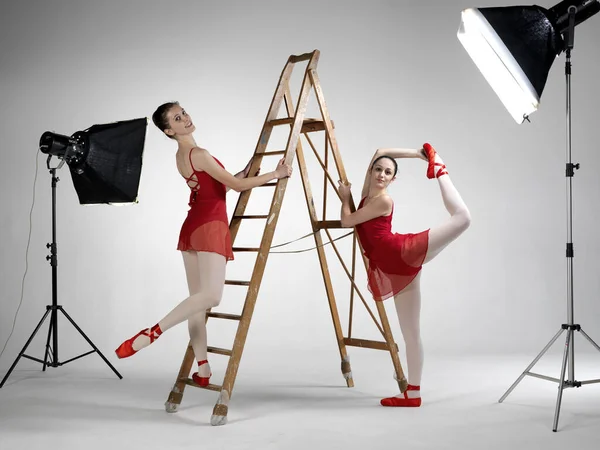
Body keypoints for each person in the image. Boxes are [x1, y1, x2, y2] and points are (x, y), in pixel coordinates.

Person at [115, 101, 292, 386]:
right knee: (211, 297)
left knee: (196, 302)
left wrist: (250, 168)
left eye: (183, 112)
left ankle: (203, 368)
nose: (185, 118)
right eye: (176, 118)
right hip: (210, 227)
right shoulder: (201, 153)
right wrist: (275, 175)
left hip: (193, 227)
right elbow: (235, 188)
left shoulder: (182, 156)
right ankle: (153, 332)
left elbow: (221, 185)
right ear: (168, 130)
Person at [337, 143, 471, 407]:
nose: (381, 174)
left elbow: (346, 221)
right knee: (411, 332)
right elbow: (378, 151)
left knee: (463, 218)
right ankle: (413, 393)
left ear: (393, 179)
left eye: (387, 172)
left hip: (402, 252)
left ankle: (441, 170)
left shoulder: (384, 200)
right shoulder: (366, 195)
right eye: (378, 170)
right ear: (372, 171)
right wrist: (420, 155)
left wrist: (344, 198)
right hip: (393, 268)